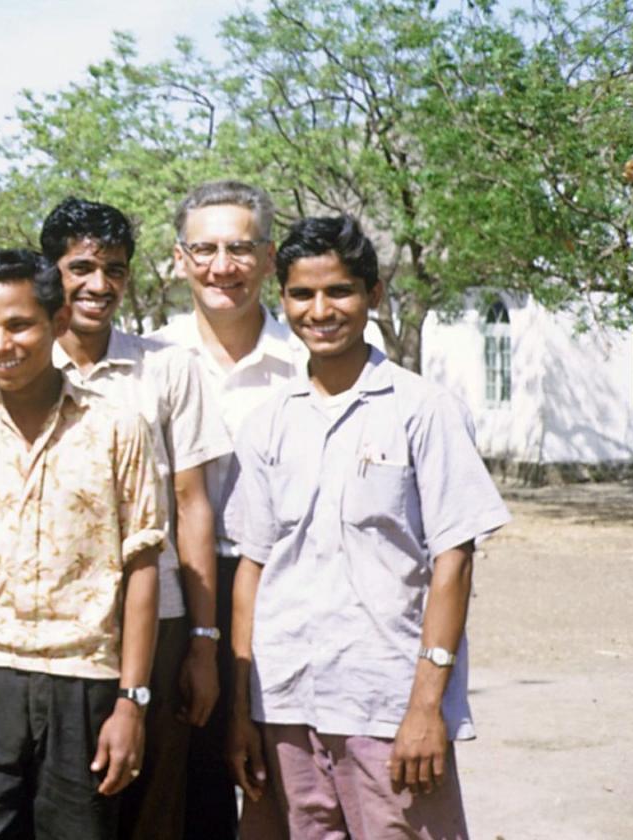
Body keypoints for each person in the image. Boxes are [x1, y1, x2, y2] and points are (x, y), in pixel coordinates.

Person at [226, 215, 510, 838]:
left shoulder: (423, 410)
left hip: (385, 702)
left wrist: (425, 707)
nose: (321, 310)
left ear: (373, 295)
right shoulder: (268, 422)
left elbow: (453, 562)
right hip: (286, 702)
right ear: (284, 300)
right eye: (302, 294)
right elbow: (253, 565)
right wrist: (242, 709)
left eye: (340, 291)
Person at [0, 248, 164, 839]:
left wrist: (132, 702)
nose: (3, 343)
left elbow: (143, 568)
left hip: (85, 682)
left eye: (19, 324)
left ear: (56, 323)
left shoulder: (116, 429)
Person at [40, 197, 230, 840]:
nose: (99, 285)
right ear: (51, 271)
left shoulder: (168, 369)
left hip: (163, 613)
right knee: (69, 799)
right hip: (58, 624)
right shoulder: (21, 366)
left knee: (154, 801)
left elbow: (192, 503)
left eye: (115, 269)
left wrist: (204, 644)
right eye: (82, 267)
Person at [148, 179, 302, 837]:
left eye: (240, 249)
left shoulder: (309, 358)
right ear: (180, 259)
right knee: (185, 791)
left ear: (269, 259)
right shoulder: (149, 359)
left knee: (287, 780)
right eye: (204, 249)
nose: (222, 267)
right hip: (181, 594)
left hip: (287, 588)